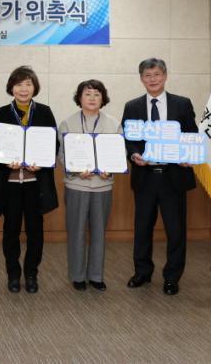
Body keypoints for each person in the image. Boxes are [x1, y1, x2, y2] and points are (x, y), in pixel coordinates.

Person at [122, 58, 197, 295]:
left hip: (173, 176)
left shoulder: (182, 104)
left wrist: (187, 155)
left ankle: (172, 277)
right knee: (142, 228)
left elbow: (191, 135)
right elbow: (129, 140)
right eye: (147, 75)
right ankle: (142, 272)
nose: (152, 79)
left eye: (156, 74)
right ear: (141, 79)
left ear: (165, 76)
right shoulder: (132, 106)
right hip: (145, 176)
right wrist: (134, 155)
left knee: (176, 230)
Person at [0, 65, 58, 294]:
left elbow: (53, 144)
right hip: (10, 183)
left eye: (28, 84)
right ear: (11, 88)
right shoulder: (2, 113)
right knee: (10, 231)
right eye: (19, 84)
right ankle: (13, 273)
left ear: (34, 87)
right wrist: (4, 160)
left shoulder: (45, 112)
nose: (23, 89)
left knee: (35, 231)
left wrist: (42, 162)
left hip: (35, 184)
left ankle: (31, 273)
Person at [58, 79, 121, 292]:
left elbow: (119, 153)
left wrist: (110, 169)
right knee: (76, 231)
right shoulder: (67, 123)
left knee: (99, 232)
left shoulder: (113, 124)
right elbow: (62, 154)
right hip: (77, 184)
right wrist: (76, 169)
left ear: (103, 98)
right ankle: (77, 276)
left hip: (103, 185)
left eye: (96, 94)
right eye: (87, 94)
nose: (92, 98)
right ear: (79, 98)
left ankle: (96, 276)